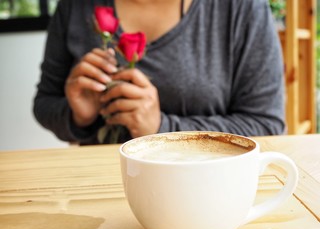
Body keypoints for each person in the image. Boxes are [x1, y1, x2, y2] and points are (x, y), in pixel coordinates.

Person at [33, 0, 285, 145]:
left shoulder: (241, 8)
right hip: (98, 185)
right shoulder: (75, 7)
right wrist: (78, 116)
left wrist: (162, 127)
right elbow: (44, 104)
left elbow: (266, 125)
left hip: (207, 190)